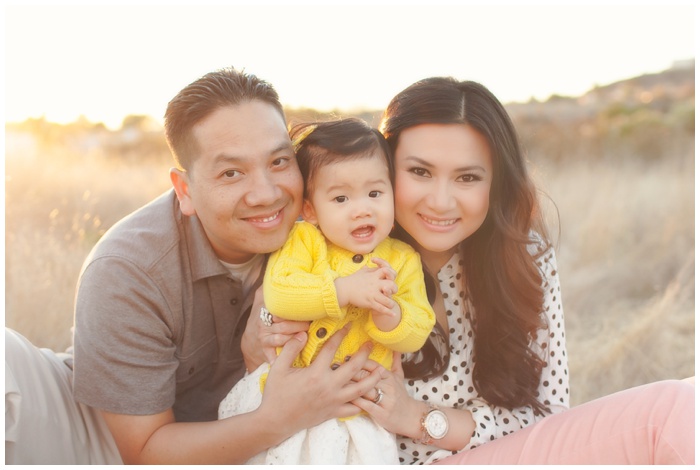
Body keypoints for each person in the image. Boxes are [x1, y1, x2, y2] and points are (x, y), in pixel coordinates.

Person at [246, 77, 694, 465]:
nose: (441, 202)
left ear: (495, 184)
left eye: (467, 178)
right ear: (384, 168)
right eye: (420, 171)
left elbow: (547, 418)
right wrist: (270, 321)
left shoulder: (524, 256)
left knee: (682, 409)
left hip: (501, 456)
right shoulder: (330, 252)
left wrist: (417, 418)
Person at [4, 68, 385, 464]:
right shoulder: (128, 269)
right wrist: (277, 419)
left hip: (253, 432)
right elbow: (144, 451)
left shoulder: (324, 222)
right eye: (231, 173)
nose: (267, 194)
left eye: (278, 162)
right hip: (104, 437)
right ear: (185, 190)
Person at [218, 118, 436, 464]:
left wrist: (389, 315)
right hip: (287, 396)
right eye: (340, 198)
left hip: (358, 412)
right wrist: (343, 290)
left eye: (375, 193)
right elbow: (280, 295)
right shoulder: (303, 241)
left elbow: (418, 331)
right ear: (310, 210)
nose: (362, 208)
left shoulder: (400, 258)